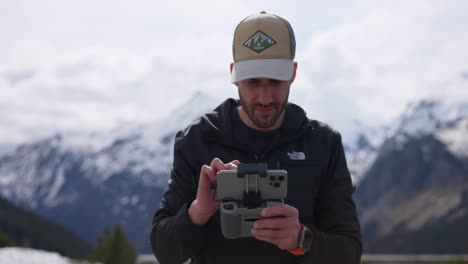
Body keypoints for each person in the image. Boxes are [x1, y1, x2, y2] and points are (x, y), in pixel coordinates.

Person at [151, 11, 362, 264]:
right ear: (234, 75)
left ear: (293, 73)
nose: (264, 97)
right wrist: (199, 211)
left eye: (275, 81)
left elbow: (349, 251)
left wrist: (301, 239)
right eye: (253, 82)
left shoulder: (324, 144)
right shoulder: (197, 141)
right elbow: (164, 251)